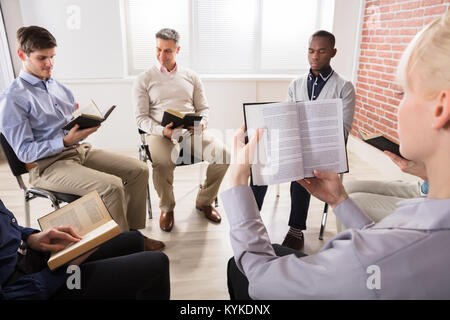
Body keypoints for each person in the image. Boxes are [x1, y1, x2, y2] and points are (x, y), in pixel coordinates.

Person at [223, 11, 450, 299]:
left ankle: (295, 226)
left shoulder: (371, 258)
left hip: (321, 155)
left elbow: (260, 278)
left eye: (402, 93)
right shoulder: (414, 233)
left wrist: (235, 184)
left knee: (237, 266)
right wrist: (341, 200)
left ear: (441, 109)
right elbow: (384, 243)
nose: (398, 107)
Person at [0, 26, 164, 251]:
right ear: (22, 55)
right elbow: (25, 152)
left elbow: (64, 127)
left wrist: (79, 121)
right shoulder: (13, 99)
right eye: (41, 58)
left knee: (139, 170)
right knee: (112, 187)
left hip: (78, 151)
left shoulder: (58, 87)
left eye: (52, 57)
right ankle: (124, 249)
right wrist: (65, 141)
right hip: (47, 166)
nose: (49, 64)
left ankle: (132, 235)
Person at [250, 30, 355, 251]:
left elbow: (343, 130)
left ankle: (296, 229)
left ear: (333, 52)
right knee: (260, 161)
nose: (315, 56)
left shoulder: (344, 87)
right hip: (296, 143)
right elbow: (287, 117)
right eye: (311, 51)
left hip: (323, 150)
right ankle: (251, 221)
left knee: (302, 168)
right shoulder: (296, 84)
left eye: (321, 51)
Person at [133, 28, 229, 232]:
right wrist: (162, 131)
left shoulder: (191, 76)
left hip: (190, 130)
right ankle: (167, 207)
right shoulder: (144, 79)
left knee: (224, 155)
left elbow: (203, 108)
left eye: (167, 51)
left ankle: (204, 201)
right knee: (162, 162)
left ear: (178, 50)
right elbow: (141, 118)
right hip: (160, 133)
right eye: (158, 49)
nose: (161, 55)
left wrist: (202, 123)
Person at [0, 198, 170, 300]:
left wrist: (30, 237)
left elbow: (7, 228)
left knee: (134, 240)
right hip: (30, 287)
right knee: (157, 263)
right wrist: (65, 270)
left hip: (28, 256)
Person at [338, 151, 428, 232]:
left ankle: (351, 248)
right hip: (425, 189)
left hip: (433, 204)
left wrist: (423, 172)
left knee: (351, 204)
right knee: (346, 189)